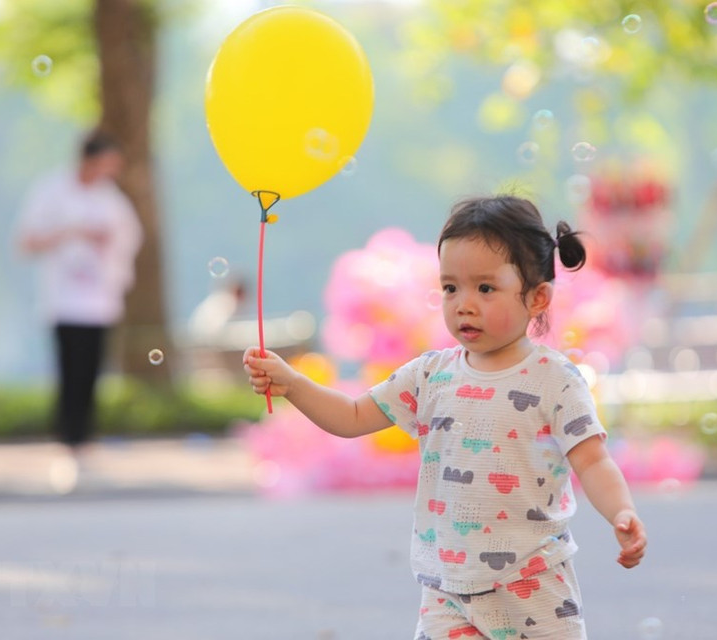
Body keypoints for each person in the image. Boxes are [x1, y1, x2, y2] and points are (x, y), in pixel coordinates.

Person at [243, 195, 645, 639]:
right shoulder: (429, 375)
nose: (463, 304)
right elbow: (353, 416)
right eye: (451, 287)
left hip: (532, 584)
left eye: (485, 288)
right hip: (448, 589)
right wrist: (293, 384)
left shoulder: (556, 380)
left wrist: (621, 511)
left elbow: (592, 461)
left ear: (537, 297)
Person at [15, 130, 142, 487]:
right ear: (90, 160)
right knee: (69, 372)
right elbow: (26, 241)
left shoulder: (111, 199)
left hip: (100, 301)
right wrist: (73, 232)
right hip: (63, 301)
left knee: (91, 373)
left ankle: (85, 441)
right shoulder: (51, 191)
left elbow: (130, 237)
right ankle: (67, 443)